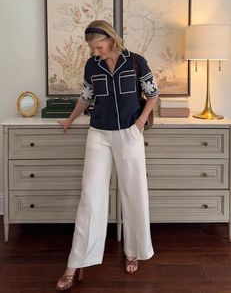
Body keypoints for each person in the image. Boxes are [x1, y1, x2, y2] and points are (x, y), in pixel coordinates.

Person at [56, 19, 160, 291]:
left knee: (133, 192)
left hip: (129, 132)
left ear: (111, 40)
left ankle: (133, 251)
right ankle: (76, 261)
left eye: (99, 46)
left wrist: (139, 124)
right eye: (92, 48)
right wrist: (69, 120)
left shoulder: (136, 61)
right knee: (90, 196)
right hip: (99, 133)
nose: (96, 52)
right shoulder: (92, 66)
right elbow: (86, 97)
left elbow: (152, 94)